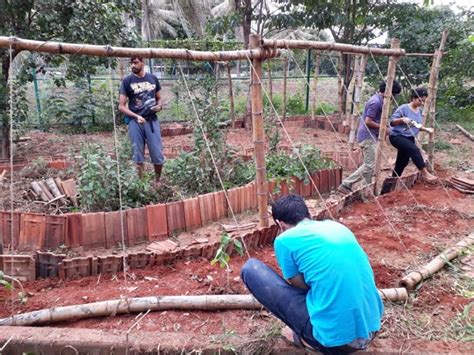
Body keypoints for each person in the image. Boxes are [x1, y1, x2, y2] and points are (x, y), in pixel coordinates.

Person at [241, 195, 383, 354]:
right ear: (307, 214)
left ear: (280, 224)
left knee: (251, 269)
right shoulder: (336, 226)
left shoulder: (284, 240)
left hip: (337, 344)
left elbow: (299, 285)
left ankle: (307, 337)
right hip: (372, 329)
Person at [338, 81, 402, 194]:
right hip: (367, 136)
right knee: (369, 165)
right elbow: (368, 122)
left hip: (371, 135)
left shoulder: (380, 101)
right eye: (394, 94)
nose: (393, 98)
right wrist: (384, 129)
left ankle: (367, 190)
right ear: (389, 92)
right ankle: (346, 183)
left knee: (369, 165)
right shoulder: (375, 102)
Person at [118, 56, 164, 184]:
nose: (133, 65)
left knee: (157, 154)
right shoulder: (127, 81)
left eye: (136, 62)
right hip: (135, 122)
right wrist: (136, 116)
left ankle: (157, 181)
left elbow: (159, 98)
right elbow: (121, 106)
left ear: (143, 63)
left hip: (151, 121)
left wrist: (159, 106)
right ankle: (141, 183)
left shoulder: (153, 78)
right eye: (131, 63)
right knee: (138, 155)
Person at [388, 87, 437, 182]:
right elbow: (392, 123)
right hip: (397, 136)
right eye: (420, 100)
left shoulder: (418, 111)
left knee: (403, 161)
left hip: (409, 138)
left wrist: (426, 129)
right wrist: (401, 119)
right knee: (414, 150)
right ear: (413, 98)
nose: (421, 103)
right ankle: (425, 173)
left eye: (423, 101)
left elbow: (416, 125)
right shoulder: (403, 108)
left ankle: (393, 179)